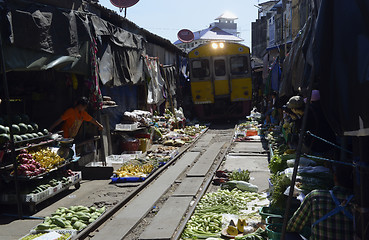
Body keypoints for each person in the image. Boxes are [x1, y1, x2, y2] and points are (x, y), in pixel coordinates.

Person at [286, 164, 355, 240]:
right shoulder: (357, 203)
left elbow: (292, 227)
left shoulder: (315, 196)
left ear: (334, 177)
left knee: (289, 235)